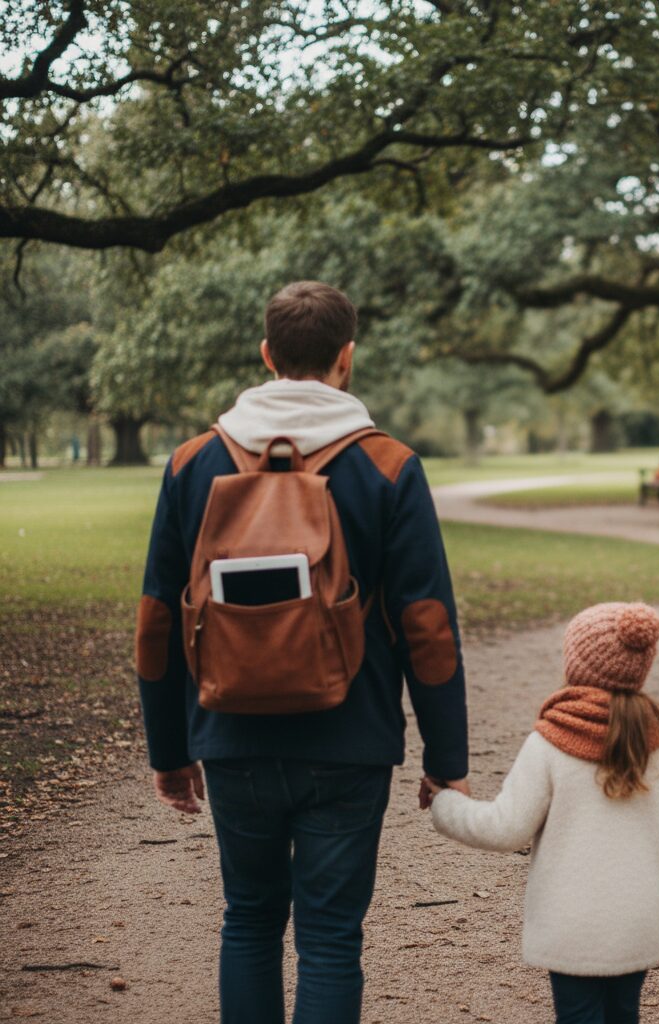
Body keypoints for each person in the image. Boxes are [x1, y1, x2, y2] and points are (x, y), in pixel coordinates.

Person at [134, 280, 470, 1024]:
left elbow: (157, 619)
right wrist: (447, 759)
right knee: (329, 939)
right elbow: (428, 624)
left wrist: (170, 750)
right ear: (346, 358)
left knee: (248, 920)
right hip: (350, 741)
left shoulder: (194, 462)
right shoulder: (388, 465)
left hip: (231, 733)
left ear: (266, 355)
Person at [426, 602, 659, 1024]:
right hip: (637, 924)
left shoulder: (551, 742)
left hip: (570, 927)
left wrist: (444, 803)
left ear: (576, 663)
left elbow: (505, 829)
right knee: (622, 1015)